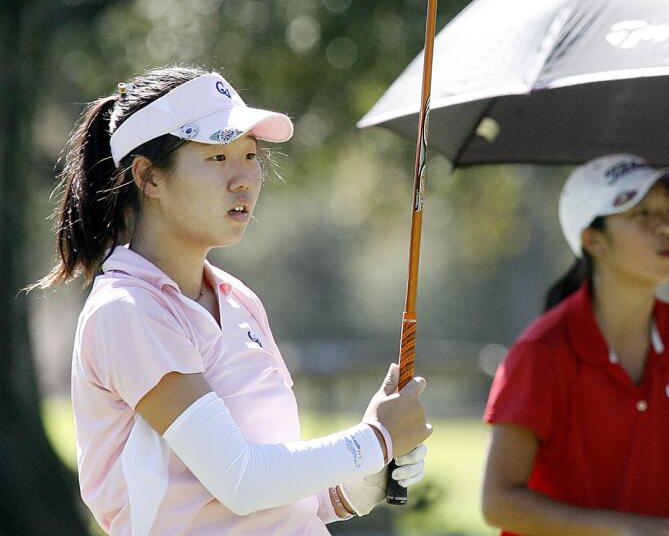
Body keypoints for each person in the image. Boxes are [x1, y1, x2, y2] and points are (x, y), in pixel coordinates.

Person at [30, 66, 432, 535]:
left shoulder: (237, 298)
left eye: (250, 155)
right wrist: (376, 440)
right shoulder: (127, 311)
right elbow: (241, 481)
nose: (244, 179)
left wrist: (351, 487)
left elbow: (271, 481)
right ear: (148, 177)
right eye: (218, 157)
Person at [481, 154, 669, 536]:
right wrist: (622, 529)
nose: (666, 227)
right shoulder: (541, 351)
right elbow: (498, 502)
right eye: (640, 213)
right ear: (593, 240)